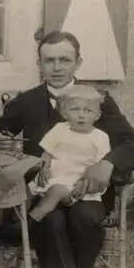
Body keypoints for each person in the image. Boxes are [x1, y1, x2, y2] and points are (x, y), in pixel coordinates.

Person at [0, 30, 134, 268]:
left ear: (78, 63)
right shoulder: (27, 102)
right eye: (49, 60)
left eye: (65, 60)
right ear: (39, 65)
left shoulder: (97, 100)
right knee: (51, 220)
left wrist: (107, 163)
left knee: (86, 218)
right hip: (44, 189)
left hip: (88, 191)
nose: (57, 68)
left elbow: (133, 144)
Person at [27, 85, 111, 222]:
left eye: (88, 110)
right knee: (25, 190)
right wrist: (44, 167)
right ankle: (18, 219)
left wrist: (83, 182)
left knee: (55, 191)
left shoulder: (100, 137)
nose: (81, 115)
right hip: (53, 176)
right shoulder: (60, 129)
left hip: (75, 183)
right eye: (75, 109)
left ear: (97, 115)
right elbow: (47, 152)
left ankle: (28, 224)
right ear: (64, 113)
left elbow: (98, 166)